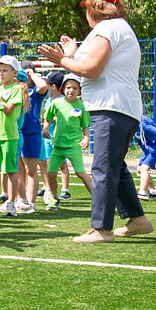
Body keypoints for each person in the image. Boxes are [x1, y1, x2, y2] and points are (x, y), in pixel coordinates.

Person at [39, 0, 154, 242]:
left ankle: (101, 228)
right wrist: (71, 55)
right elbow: (97, 65)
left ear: (95, 8)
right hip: (122, 107)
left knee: (103, 166)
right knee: (115, 166)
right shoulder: (118, 28)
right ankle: (137, 220)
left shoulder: (108, 28)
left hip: (111, 107)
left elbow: (91, 69)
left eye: (87, 8)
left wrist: (62, 60)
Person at [43, 74, 93, 209]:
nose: (71, 90)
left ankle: (98, 199)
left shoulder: (82, 107)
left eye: (75, 88)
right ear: (63, 89)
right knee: (51, 173)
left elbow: (86, 125)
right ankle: (54, 199)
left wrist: (86, 137)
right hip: (58, 145)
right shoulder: (56, 103)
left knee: (80, 173)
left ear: (80, 91)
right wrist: (45, 129)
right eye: (68, 87)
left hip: (73, 145)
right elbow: (47, 118)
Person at [0, 55, 23, 217]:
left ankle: (11, 202)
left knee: (10, 170)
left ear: (14, 73)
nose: (0, 74)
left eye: (4, 70)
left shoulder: (16, 89)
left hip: (9, 136)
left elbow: (8, 110)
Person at [18, 60, 49, 212]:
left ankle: (31, 202)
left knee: (31, 170)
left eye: (27, 73)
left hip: (31, 133)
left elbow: (43, 86)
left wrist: (32, 74)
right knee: (19, 170)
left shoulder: (36, 92)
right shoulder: (16, 90)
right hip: (16, 132)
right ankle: (21, 199)